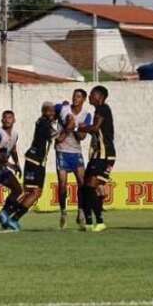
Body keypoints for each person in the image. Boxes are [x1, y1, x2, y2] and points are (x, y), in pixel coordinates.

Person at [0, 102, 60, 231]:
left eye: (54, 112)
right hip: (36, 161)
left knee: (31, 192)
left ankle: (7, 214)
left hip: (34, 159)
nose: (54, 114)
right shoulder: (44, 123)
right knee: (35, 193)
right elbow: (56, 136)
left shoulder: (43, 122)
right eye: (51, 111)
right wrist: (69, 127)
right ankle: (12, 217)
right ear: (46, 112)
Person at [75, 85, 115, 232]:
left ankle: (99, 221)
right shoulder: (100, 110)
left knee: (90, 186)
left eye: (92, 95)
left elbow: (95, 128)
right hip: (99, 154)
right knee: (87, 188)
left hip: (104, 154)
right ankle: (90, 222)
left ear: (99, 96)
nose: (90, 97)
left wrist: (81, 128)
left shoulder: (103, 108)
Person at [55, 89, 92, 229]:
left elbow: (82, 137)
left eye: (78, 97)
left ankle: (80, 212)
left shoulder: (86, 115)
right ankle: (63, 212)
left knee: (82, 183)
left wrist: (74, 128)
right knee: (63, 184)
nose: (75, 99)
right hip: (62, 151)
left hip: (76, 152)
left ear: (83, 99)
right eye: (74, 96)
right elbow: (53, 111)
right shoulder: (63, 109)